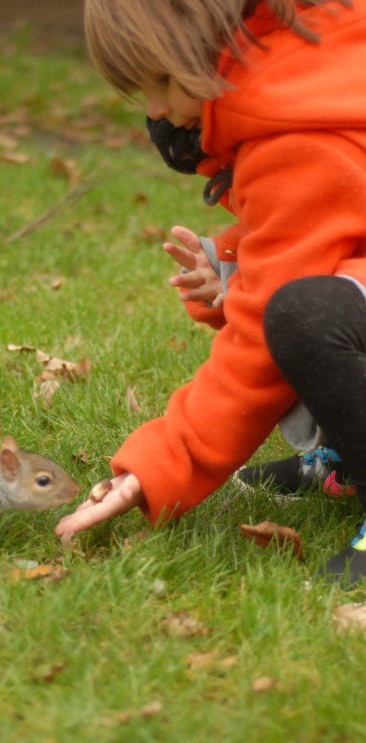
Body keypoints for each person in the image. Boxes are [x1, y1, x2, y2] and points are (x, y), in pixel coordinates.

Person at [56, 0, 366, 586]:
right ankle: (345, 460)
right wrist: (235, 266)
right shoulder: (316, 52)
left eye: (164, 81)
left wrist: (163, 463)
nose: (155, 110)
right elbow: (334, 230)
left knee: (304, 316)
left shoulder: (296, 135)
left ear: (208, 39)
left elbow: (263, 342)